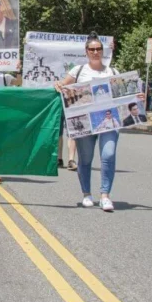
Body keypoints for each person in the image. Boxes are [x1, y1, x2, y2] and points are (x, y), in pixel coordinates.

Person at [55, 32, 143, 213]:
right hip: (85, 123)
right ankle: (86, 193)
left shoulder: (113, 72)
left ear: (103, 51)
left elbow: (126, 97)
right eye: (92, 49)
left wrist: (138, 97)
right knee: (85, 159)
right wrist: (58, 86)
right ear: (86, 51)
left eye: (98, 49)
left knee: (108, 155)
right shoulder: (78, 71)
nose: (95, 52)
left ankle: (105, 196)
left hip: (109, 122)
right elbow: (62, 86)